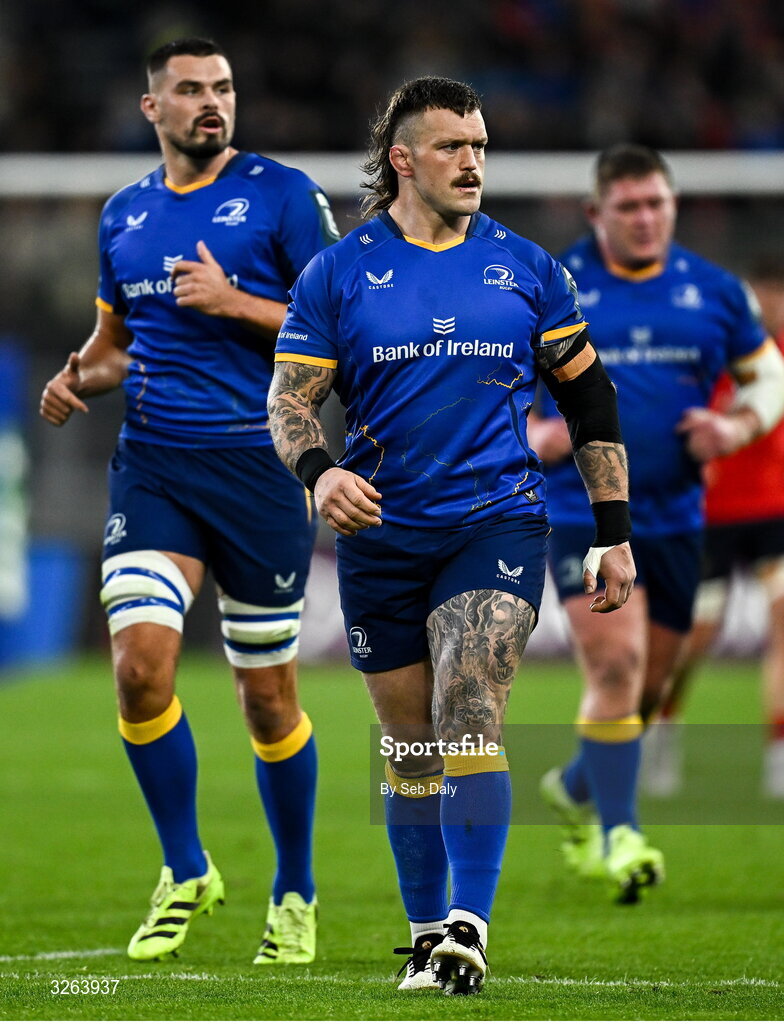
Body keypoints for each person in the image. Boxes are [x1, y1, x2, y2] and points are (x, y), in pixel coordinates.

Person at [267, 76, 635, 995]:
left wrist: (613, 530)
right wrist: (323, 473)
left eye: (479, 144)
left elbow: (589, 399)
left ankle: (470, 925)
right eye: (452, 147)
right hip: (383, 532)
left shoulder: (529, 269)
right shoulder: (339, 273)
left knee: (468, 706)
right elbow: (289, 403)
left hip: (496, 521)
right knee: (407, 744)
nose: (473, 161)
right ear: (402, 160)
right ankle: (428, 934)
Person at [39, 38, 340, 964]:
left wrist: (235, 301)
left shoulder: (285, 196)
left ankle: (294, 889)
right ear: (151, 108)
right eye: (191, 91)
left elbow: (342, 324)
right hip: (155, 467)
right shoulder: (123, 215)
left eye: (223, 88)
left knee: (268, 702)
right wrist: (80, 377)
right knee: (137, 669)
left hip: (259, 468)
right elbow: (120, 341)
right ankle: (185, 867)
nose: (212, 103)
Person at [529, 145, 784, 899]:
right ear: (596, 214)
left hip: (677, 518)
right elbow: (491, 381)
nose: (646, 220)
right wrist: (532, 434)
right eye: (630, 207)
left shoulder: (713, 291)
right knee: (614, 667)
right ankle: (622, 834)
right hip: (581, 512)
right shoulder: (555, 288)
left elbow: (766, 374)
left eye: (658, 205)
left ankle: (578, 786)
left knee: (645, 693)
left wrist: (737, 427)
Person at [645, 259, 784, 802]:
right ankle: (662, 728)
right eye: (769, 295)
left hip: (779, 509)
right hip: (712, 514)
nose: (779, 307)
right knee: (692, 638)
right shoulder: (713, 349)